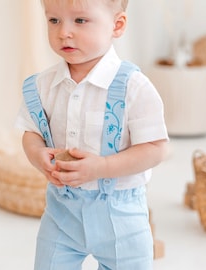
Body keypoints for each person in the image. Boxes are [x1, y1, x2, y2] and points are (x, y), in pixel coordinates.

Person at [15, 0, 169, 269]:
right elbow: (31, 132)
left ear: (117, 25)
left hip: (121, 217)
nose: (64, 32)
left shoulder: (134, 87)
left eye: (80, 21)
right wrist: (37, 154)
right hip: (61, 214)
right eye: (54, 20)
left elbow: (156, 148)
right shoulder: (43, 85)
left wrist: (103, 167)